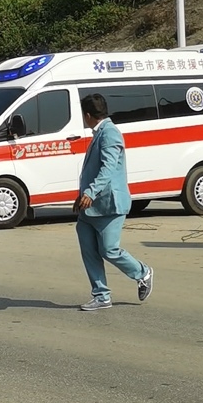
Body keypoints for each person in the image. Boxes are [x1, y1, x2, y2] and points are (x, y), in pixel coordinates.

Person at [74, 93, 154, 312]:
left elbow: (108, 168)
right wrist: (82, 196)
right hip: (89, 208)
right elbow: (92, 170)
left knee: (109, 249)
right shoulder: (99, 133)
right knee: (89, 251)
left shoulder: (110, 134)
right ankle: (101, 295)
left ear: (88, 115)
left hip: (109, 205)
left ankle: (142, 272)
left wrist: (90, 191)